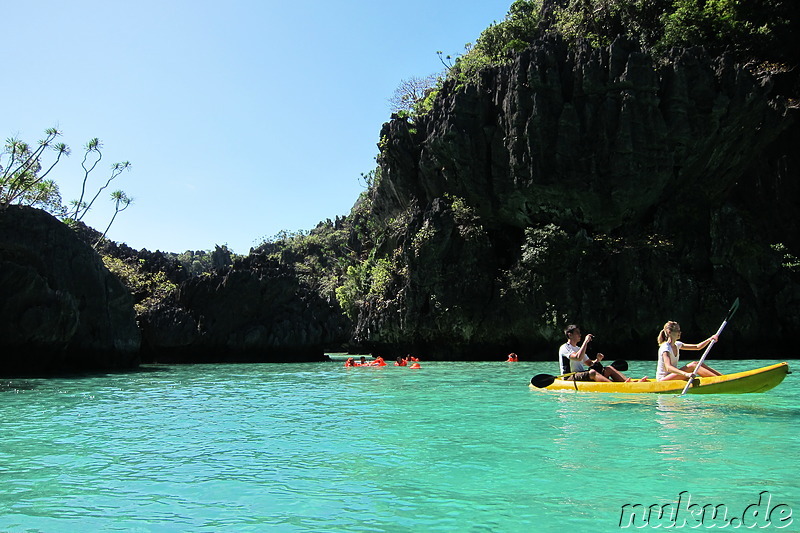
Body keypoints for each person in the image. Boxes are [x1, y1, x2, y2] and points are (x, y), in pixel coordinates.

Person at [558, 325, 639, 382]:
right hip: (569, 377)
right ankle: (613, 386)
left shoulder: (578, 348)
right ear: (570, 335)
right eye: (577, 333)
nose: (580, 335)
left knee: (608, 368)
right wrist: (585, 342)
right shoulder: (564, 348)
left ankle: (628, 382)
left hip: (580, 374)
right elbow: (577, 357)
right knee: (592, 372)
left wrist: (597, 360)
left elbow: (590, 363)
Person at [656, 321, 721, 381]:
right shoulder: (665, 348)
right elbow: (668, 367)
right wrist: (685, 374)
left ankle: (721, 377)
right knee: (692, 365)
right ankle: (718, 380)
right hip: (663, 379)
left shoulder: (677, 344)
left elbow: (697, 347)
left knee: (696, 363)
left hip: (672, 376)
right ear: (669, 332)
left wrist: (710, 339)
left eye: (679, 330)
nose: (679, 332)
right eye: (677, 330)